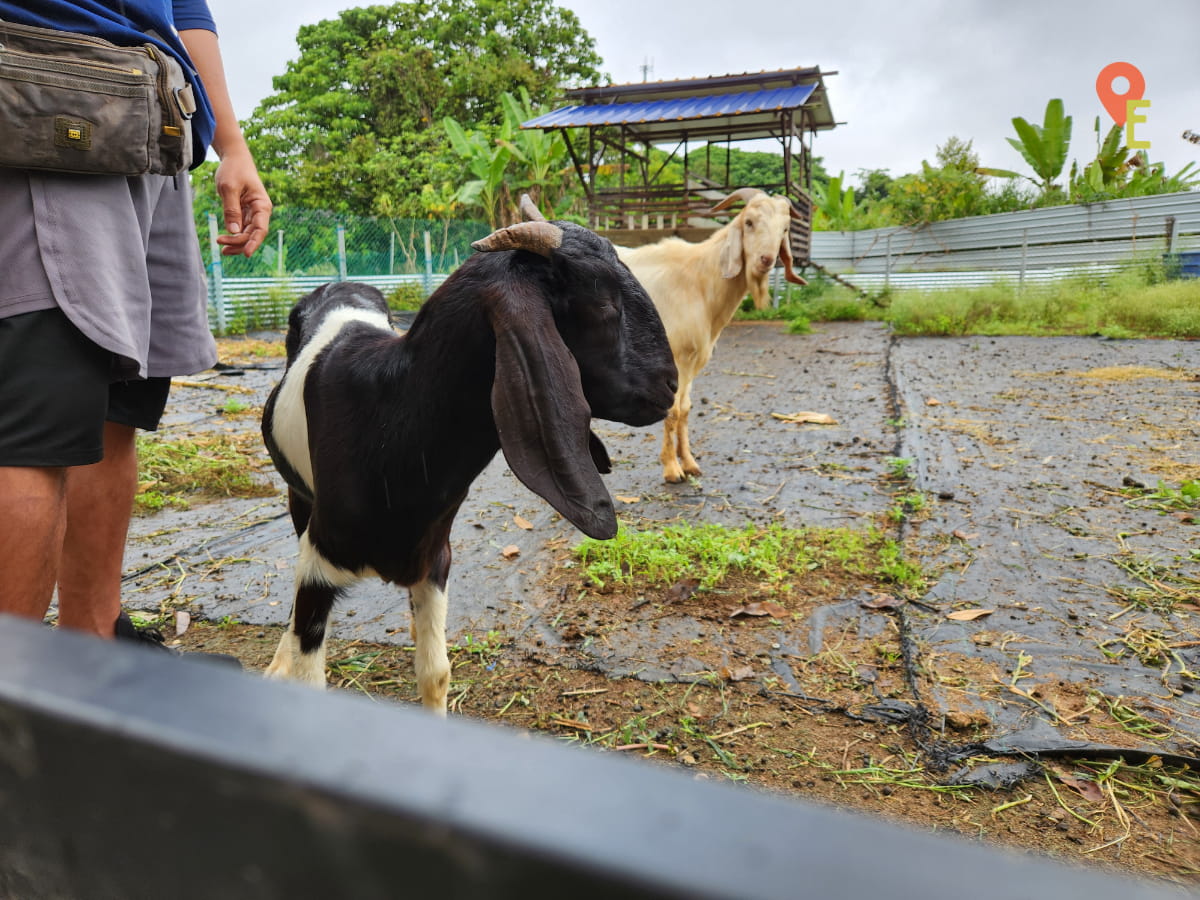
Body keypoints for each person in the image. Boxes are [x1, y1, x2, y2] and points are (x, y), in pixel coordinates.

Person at [0, 0, 272, 645]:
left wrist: (232, 144)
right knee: (34, 426)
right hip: (45, 86)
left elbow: (186, 9)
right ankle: (18, 717)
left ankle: (92, 654)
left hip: (156, 118)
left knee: (116, 404)